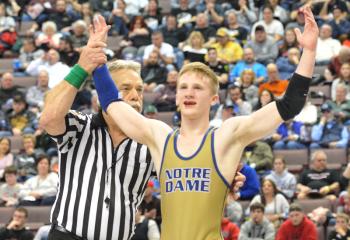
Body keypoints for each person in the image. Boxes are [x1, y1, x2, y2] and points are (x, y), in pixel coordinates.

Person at [92, 6, 318, 239]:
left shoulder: (227, 135)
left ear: (214, 98)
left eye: (198, 87)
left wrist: (309, 52)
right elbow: (112, 103)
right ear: (176, 97)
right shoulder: (159, 136)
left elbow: (289, 105)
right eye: (183, 88)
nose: (189, 93)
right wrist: (97, 58)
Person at [39, 15, 247, 239]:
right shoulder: (80, 126)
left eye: (139, 89)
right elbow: (49, 118)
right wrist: (82, 67)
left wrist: (223, 180)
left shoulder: (152, 141)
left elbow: (189, 173)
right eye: (125, 88)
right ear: (103, 94)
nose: (135, 96)